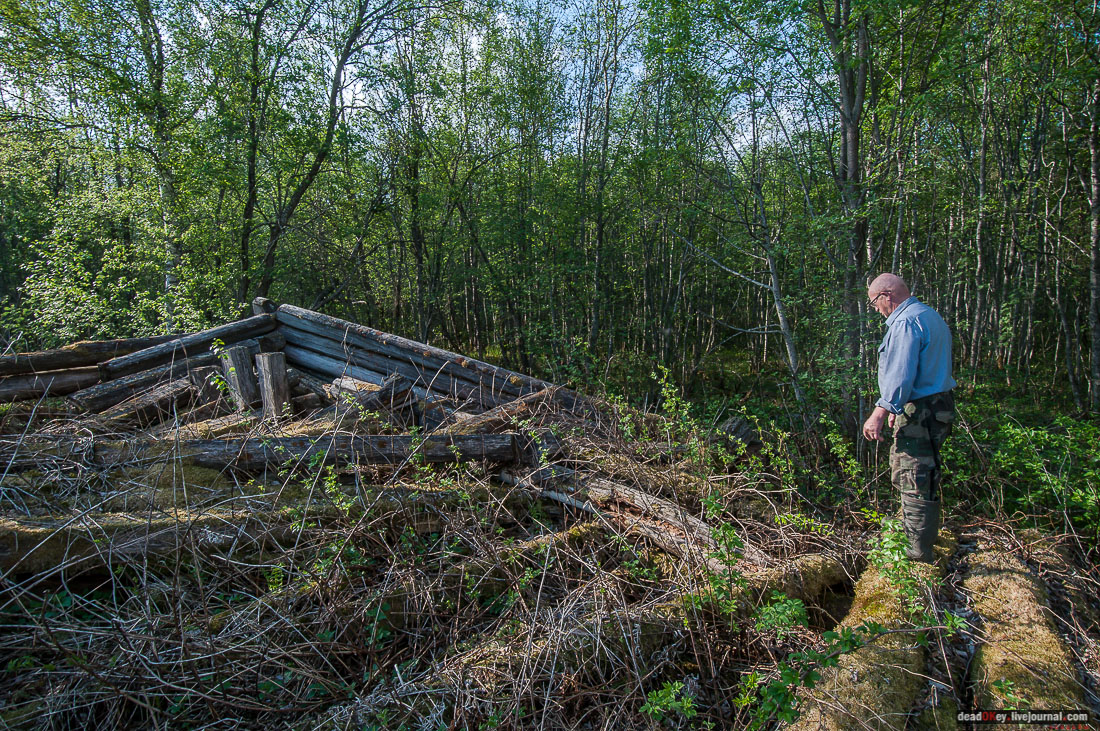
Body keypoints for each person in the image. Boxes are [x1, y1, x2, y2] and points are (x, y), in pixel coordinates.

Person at [861, 273, 956, 563]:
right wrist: (897, 409)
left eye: (874, 303)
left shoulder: (904, 322)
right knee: (927, 471)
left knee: (912, 472)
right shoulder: (928, 315)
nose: (876, 310)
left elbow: (902, 371)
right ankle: (923, 537)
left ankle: (917, 552)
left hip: (921, 408)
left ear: (886, 296)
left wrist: (882, 410)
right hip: (937, 405)